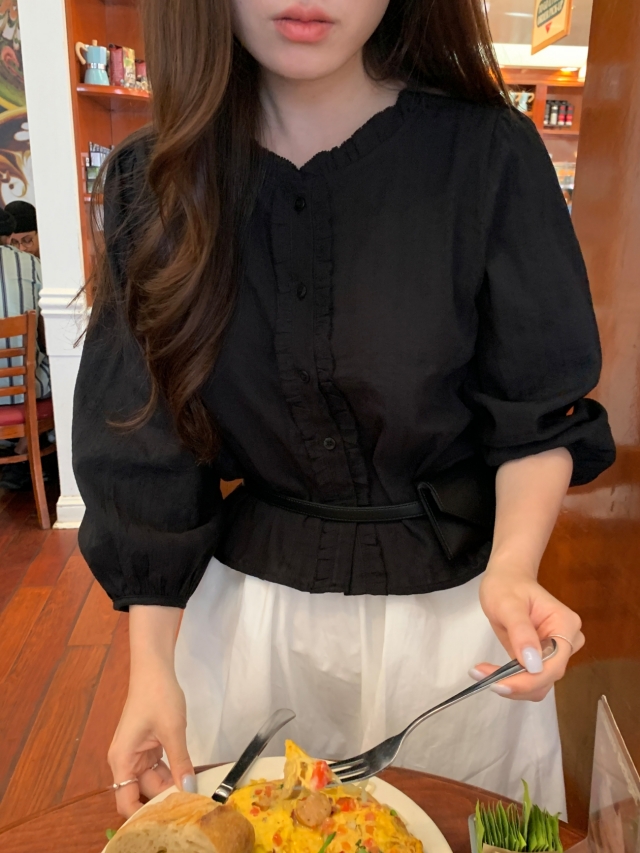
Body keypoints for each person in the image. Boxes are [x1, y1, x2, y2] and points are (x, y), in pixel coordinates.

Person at [72, 0, 616, 823]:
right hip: (250, 625)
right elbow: (146, 446)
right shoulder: (153, 180)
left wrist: (514, 567)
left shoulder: (489, 154)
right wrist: (150, 667)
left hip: (460, 618)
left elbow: (536, 410)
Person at [0, 242, 51, 489]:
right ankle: (24, 450)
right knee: (63, 366)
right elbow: (48, 333)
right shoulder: (31, 264)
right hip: (27, 388)